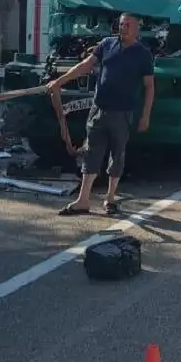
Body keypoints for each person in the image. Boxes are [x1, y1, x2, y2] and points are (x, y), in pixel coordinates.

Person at [46, 13, 155, 216]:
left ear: (137, 29)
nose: (123, 28)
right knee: (91, 153)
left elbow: (149, 87)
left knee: (117, 155)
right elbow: (85, 65)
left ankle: (110, 199)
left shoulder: (143, 54)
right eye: (121, 24)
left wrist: (145, 115)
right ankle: (83, 200)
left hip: (122, 113)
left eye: (128, 25)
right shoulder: (107, 44)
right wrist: (60, 81)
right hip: (99, 110)